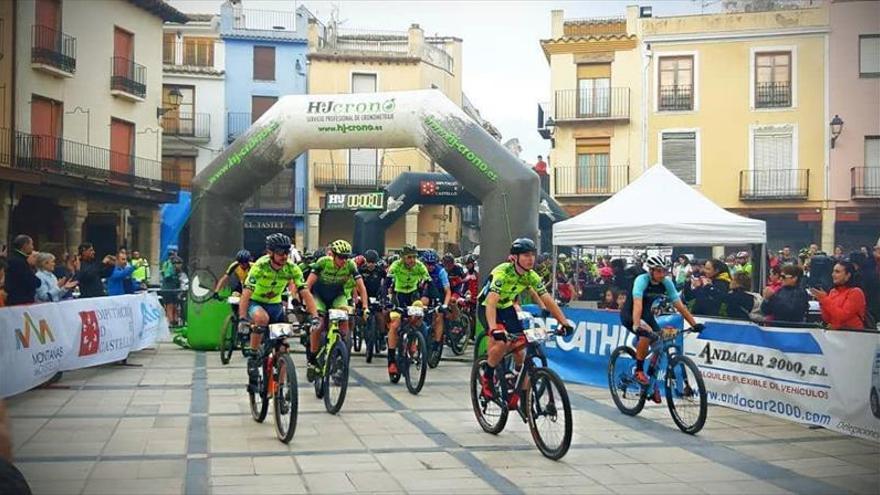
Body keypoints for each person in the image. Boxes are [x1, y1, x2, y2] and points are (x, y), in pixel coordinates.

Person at [478, 238, 573, 401]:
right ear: (514, 258)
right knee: (501, 342)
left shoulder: (531, 276)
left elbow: (547, 299)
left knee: (519, 345)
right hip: (488, 307)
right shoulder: (502, 273)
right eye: (526, 255)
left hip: (506, 307)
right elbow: (492, 302)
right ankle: (487, 376)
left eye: (532, 255)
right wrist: (494, 329)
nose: (531, 259)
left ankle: (516, 377)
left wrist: (563, 322)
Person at [239, 234, 319, 393]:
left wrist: (315, 316)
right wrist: (242, 318)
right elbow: (246, 294)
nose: (284, 256)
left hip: (275, 307)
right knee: (262, 318)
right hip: (256, 303)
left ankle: (280, 388)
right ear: (270, 252)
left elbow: (306, 293)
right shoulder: (260, 266)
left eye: (287, 252)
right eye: (280, 252)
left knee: (283, 349)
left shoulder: (292, 268)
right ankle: (254, 356)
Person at [622, 255, 703, 401]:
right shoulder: (641, 280)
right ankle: (639, 370)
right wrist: (636, 324)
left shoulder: (666, 282)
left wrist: (694, 324)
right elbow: (638, 304)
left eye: (664, 271)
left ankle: (652, 385)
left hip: (647, 315)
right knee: (646, 334)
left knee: (659, 345)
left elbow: (680, 306)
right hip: (631, 313)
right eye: (658, 271)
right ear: (651, 271)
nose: (662, 274)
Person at [305, 239, 368, 381]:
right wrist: (306, 304)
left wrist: (365, 308)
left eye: (347, 257)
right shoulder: (322, 262)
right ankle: (313, 359)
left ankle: (341, 353)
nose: (344, 260)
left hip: (337, 296)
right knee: (318, 325)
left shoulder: (351, 265)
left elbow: (361, 288)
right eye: (341, 257)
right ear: (332, 255)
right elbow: (307, 285)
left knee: (344, 318)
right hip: (319, 295)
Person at [385, 244, 431, 378]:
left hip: (413, 295)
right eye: (409, 257)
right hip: (398, 297)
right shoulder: (396, 266)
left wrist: (437, 300)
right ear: (403, 258)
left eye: (414, 257)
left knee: (419, 313)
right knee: (395, 325)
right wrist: (385, 300)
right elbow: (386, 284)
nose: (412, 260)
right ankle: (392, 360)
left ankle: (413, 341)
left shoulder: (420, 266)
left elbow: (430, 283)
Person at [811, 261, 867, 330]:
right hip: (835, 335)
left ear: (848, 275)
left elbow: (842, 316)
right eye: (833, 271)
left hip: (853, 335)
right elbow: (827, 319)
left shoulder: (856, 292)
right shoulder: (833, 291)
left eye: (837, 272)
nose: (833, 274)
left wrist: (824, 299)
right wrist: (821, 302)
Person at [421, 250, 452, 357]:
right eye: (428, 264)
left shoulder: (441, 272)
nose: (430, 266)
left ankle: (437, 343)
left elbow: (448, 291)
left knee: (439, 315)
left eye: (432, 264)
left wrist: (445, 305)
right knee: (422, 303)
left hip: (440, 293)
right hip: (426, 294)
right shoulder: (420, 270)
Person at [6, 235, 41, 306]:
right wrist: (31, 266)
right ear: (25, 245)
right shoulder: (19, 261)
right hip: (20, 300)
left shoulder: (15, 258)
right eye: (31, 244)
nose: (33, 247)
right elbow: (32, 282)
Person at [160, 255, 188, 324]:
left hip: (175, 290)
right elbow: (167, 275)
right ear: (175, 264)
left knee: (176, 306)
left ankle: (175, 321)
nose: (180, 266)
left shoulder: (179, 271)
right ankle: (171, 321)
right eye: (179, 264)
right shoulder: (170, 268)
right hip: (168, 290)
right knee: (170, 306)